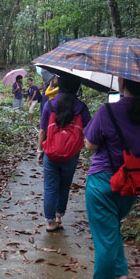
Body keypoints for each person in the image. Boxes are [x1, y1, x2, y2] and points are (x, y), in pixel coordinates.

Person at [83, 78, 140, 279]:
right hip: (133, 182)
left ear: (122, 82)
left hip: (103, 182)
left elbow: (90, 145)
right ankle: (120, 275)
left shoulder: (107, 110)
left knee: (104, 239)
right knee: (112, 228)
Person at [36, 74, 91, 232]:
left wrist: (39, 151)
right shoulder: (81, 107)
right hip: (71, 154)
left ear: (59, 84)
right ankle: (59, 216)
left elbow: (42, 131)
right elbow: (88, 131)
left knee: (50, 187)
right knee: (65, 186)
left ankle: (50, 222)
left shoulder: (50, 104)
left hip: (51, 153)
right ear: (77, 87)